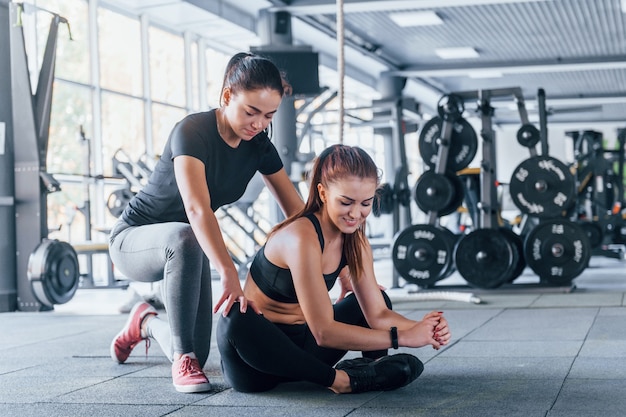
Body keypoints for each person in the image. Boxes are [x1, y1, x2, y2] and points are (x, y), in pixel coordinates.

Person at [107, 52, 304, 393]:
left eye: (268, 115)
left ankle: (146, 323)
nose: (258, 124)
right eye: (250, 112)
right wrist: (230, 274)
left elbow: (298, 215)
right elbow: (197, 210)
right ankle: (182, 359)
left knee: (199, 350)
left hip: (187, 248)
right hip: (133, 240)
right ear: (228, 97)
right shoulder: (192, 131)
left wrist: (346, 268)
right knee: (185, 238)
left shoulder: (258, 146)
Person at [216, 144, 451, 394]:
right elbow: (324, 332)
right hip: (258, 362)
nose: (356, 214)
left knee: (376, 298)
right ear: (323, 193)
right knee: (235, 318)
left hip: (306, 351)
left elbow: (378, 315)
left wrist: (423, 327)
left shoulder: (356, 242)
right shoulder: (301, 237)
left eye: (365, 203)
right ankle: (342, 381)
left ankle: (372, 367)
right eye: (346, 202)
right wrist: (400, 337)